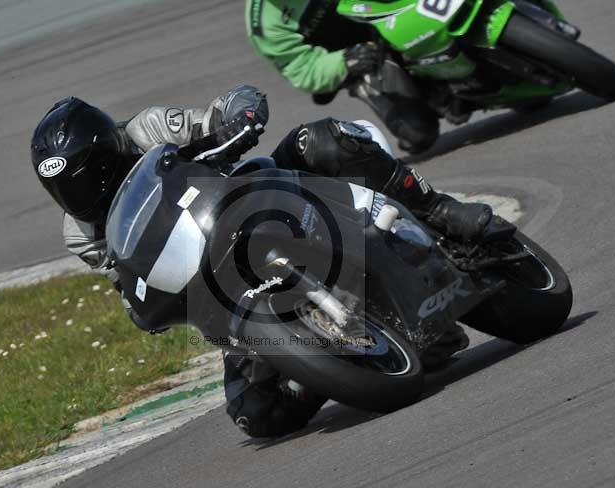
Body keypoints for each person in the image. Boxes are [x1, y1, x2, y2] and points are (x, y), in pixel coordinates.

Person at [31, 85, 490, 438]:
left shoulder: (150, 128)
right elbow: (126, 276)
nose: (80, 195)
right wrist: (139, 304)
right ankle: (326, 358)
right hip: (215, 274)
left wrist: (239, 114)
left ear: (109, 149)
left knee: (323, 142)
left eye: (87, 176)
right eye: (65, 190)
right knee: (257, 415)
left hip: (259, 197)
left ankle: (439, 211)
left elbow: (217, 113)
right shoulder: (80, 232)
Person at [245, 0, 442, 153]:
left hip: (393, 13)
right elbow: (301, 68)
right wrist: (345, 62)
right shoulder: (263, 24)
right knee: (417, 131)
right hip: (364, 55)